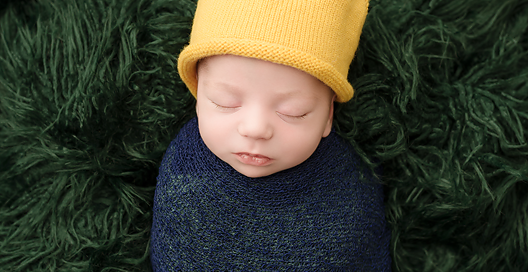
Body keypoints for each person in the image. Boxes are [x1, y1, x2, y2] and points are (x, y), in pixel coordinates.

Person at [150, 0, 392, 270]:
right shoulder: (184, 173)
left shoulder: (349, 185)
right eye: (224, 101)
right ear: (197, 98)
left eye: (293, 111)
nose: (255, 129)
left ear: (328, 116)